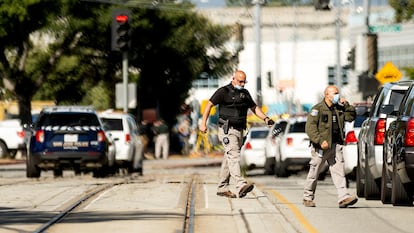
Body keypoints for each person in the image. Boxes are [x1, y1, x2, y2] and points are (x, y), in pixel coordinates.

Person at [199, 70, 274, 198]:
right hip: (227, 130)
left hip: (239, 130)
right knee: (234, 155)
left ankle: (222, 188)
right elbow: (209, 105)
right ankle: (240, 185)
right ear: (233, 79)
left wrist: (266, 119)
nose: (242, 84)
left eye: (244, 82)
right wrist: (203, 123)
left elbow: (254, 108)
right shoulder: (223, 92)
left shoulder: (245, 94)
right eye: (240, 81)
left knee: (229, 158)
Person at [303, 85, 358, 208]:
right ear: (326, 95)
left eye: (337, 93)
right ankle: (308, 197)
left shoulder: (339, 108)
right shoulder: (317, 109)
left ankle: (343, 197)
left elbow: (351, 116)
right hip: (321, 147)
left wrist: (347, 105)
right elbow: (310, 128)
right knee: (314, 171)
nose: (337, 95)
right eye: (334, 93)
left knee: (339, 172)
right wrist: (319, 140)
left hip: (336, 145)